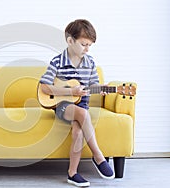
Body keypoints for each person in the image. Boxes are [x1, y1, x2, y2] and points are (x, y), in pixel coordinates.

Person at [39, 19, 114, 187]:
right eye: (83, 44)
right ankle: (98, 155)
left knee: (78, 133)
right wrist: (69, 92)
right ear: (70, 41)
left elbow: (93, 85)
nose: (87, 49)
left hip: (82, 105)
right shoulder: (57, 62)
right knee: (82, 113)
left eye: (89, 45)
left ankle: (72, 174)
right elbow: (44, 87)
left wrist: (101, 88)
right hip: (62, 106)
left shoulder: (90, 62)